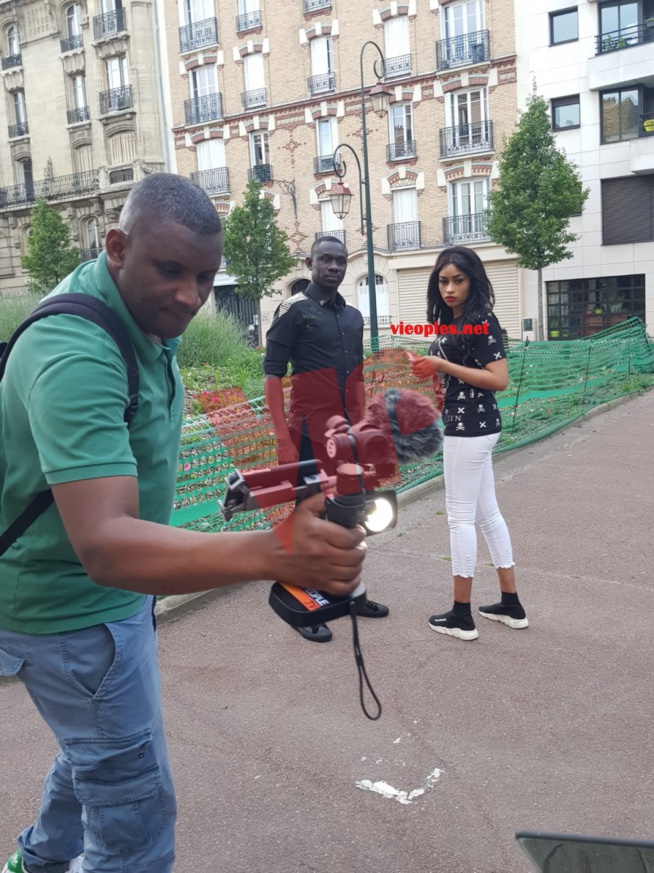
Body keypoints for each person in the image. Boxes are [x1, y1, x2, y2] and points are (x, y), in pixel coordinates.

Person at [0, 175, 366, 873]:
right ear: (116, 247)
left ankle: (35, 862)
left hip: (104, 601)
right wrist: (274, 551)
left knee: (100, 754)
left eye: (204, 277)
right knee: (135, 825)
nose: (192, 298)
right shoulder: (78, 351)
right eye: (171, 270)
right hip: (74, 611)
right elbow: (106, 545)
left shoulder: (140, 312)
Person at [263, 236, 389, 643]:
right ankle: (303, 600)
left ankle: (348, 593)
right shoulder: (293, 310)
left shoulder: (353, 316)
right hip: (307, 435)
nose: (333, 267)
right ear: (310, 262)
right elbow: (272, 376)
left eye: (339, 261)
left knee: (352, 517)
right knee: (308, 517)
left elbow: (356, 379)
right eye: (326, 260)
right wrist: (283, 438)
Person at [408, 245, 527, 641]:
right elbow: (459, 373)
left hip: (470, 430)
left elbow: (498, 379)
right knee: (487, 514)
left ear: (473, 280)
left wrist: (439, 364)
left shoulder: (482, 321)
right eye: (443, 280)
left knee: (460, 517)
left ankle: (462, 615)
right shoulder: (456, 321)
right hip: (471, 427)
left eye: (458, 280)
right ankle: (510, 604)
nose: (450, 288)